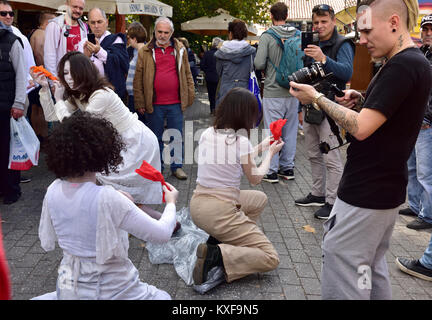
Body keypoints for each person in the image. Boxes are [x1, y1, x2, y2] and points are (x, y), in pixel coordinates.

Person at [289, 0, 431, 300]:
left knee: (342, 259)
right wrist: (363, 98)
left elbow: (362, 127)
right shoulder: (409, 62)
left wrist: (316, 98)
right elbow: (390, 113)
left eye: (366, 31)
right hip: (383, 191)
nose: (362, 40)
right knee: (369, 265)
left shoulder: (403, 65)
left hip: (366, 193)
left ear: (394, 21)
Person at [33, 112, 178, 300]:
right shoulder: (108, 198)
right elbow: (162, 234)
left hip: (68, 288)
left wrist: (116, 197)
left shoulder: (53, 190)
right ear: (102, 151)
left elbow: (84, 202)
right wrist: (171, 203)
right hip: (114, 291)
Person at [31, 51, 163, 208]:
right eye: (65, 73)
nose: (69, 78)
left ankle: (156, 224)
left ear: (84, 72)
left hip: (135, 141)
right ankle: (145, 223)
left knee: (118, 191)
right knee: (113, 190)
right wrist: (45, 89)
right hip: (117, 142)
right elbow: (52, 116)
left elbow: (76, 127)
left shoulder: (101, 94)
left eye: (74, 72)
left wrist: (59, 99)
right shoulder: (78, 95)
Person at [190, 87, 284, 286]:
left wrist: (264, 145)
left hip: (198, 205)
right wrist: (270, 154)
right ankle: (218, 254)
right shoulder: (240, 141)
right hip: (219, 211)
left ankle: (225, 242)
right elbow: (256, 178)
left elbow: (237, 157)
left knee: (259, 199)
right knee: (270, 257)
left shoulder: (208, 133)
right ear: (245, 115)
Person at [294, 3, 355, 220]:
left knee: (331, 157)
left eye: (323, 22)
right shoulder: (314, 44)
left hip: (330, 108)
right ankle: (318, 194)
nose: (319, 26)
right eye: (316, 22)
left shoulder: (343, 43)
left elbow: (346, 72)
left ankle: (333, 201)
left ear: (333, 22)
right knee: (312, 153)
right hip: (311, 106)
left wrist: (323, 58)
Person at [133, 16, 195, 181]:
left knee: (177, 136)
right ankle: (157, 167)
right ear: (155, 31)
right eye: (159, 31)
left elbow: (187, 74)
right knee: (155, 137)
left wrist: (190, 95)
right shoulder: (145, 51)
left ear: (172, 33)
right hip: (154, 103)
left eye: (166, 32)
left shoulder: (180, 49)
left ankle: (177, 167)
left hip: (175, 102)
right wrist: (139, 101)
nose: (162, 35)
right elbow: (138, 79)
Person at [254, 1, 301, 184]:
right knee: (290, 131)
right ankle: (287, 168)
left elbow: (258, 63)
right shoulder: (298, 34)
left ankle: (271, 170)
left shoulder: (267, 36)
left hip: (273, 90)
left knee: (273, 132)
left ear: (271, 16)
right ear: (287, 16)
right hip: (294, 90)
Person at [398, 14, 432, 230]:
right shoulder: (422, 54)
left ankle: (428, 216)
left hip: (427, 122)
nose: (428, 33)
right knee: (411, 167)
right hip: (413, 122)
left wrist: (427, 117)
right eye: (425, 29)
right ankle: (416, 205)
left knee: (426, 173)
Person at [0, 21, 27, 205]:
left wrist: (19, 103)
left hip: (7, 107)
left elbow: (21, 74)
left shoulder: (13, 41)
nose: (8, 17)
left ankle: (11, 189)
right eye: (3, 13)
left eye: (10, 13)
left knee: (8, 150)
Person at [84, 8, 129, 100]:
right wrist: (86, 57)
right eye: (93, 23)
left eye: (99, 22)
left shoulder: (116, 40)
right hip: (90, 93)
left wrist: (99, 51)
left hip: (112, 94)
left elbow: (122, 63)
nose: (96, 26)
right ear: (88, 24)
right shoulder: (83, 42)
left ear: (107, 22)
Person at [28, 12, 56, 144]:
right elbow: (39, 55)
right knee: (43, 107)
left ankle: (35, 135)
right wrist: (47, 74)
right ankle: (43, 136)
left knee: (35, 107)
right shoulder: (42, 34)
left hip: (33, 75)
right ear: (47, 23)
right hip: (40, 76)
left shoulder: (33, 33)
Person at [214, 19, 256, 107]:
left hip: (226, 92)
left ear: (230, 33)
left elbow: (219, 72)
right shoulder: (251, 52)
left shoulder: (221, 52)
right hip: (245, 93)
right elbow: (252, 69)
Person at [44, 0, 87, 77]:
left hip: (79, 77)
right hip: (61, 78)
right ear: (66, 5)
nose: (77, 10)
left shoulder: (83, 27)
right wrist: (53, 80)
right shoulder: (55, 25)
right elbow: (49, 55)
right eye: (74, 7)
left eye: (81, 8)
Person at [125, 21, 147, 124]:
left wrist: (141, 101)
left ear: (134, 38)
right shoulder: (133, 51)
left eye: (129, 38)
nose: (128, 41)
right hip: (132, 96)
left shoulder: (145, 53)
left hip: (138, 98)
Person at [200, 37, 222, 115]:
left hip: (209, 77)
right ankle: (217, 109)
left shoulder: (207, 53)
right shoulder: (221, 54)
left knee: (211, 94)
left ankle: (212, 109)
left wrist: (207, 71)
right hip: (219, 77)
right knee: (219, 94)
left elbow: (202, 65)